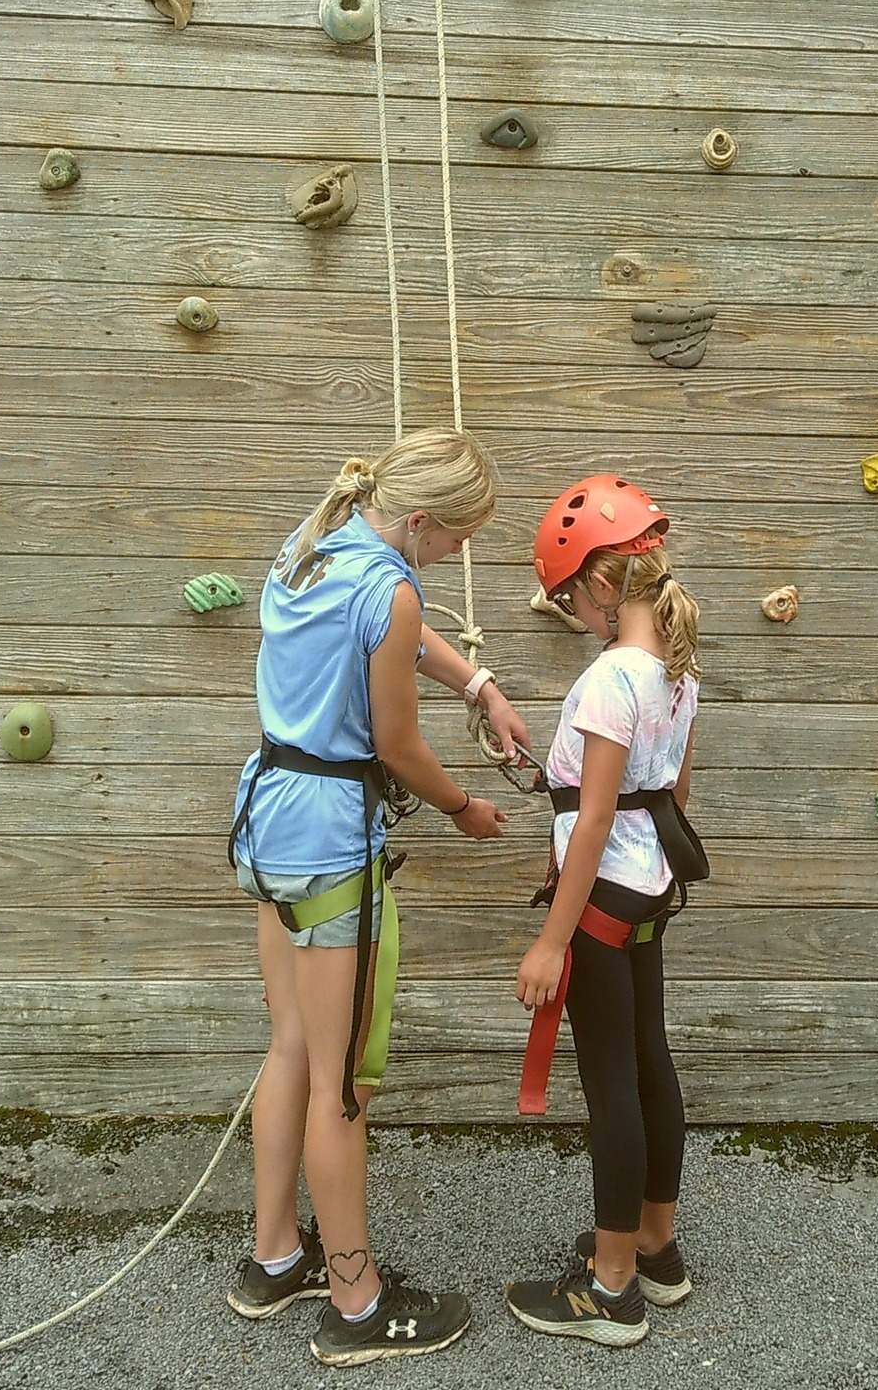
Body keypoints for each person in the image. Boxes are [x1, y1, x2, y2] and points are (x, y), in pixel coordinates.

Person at [224, 429, 531, 1367]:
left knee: (290, 1046)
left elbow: (391, 635)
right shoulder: (392, 589)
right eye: (460, 538)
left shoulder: (313, 540)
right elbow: (398, 744)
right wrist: (464, 808)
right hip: (330, 840)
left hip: (269, 816)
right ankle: (356, 1302)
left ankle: (276, 1258)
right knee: (342, 1083)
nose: (460, 553)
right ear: (423, 521)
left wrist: (477, 683)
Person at [505, 476, 707, 1348]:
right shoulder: (677, 669)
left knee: (611, 1083)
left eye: (567, 599)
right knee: (650, 1060)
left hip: (597, 905)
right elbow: (672, 793)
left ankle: (612, 1287)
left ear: (599, 583)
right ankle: (655, 1246)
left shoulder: (609, 677)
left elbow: (591, 820)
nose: (572, 615)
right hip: (648, 890)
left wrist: (552, 942)